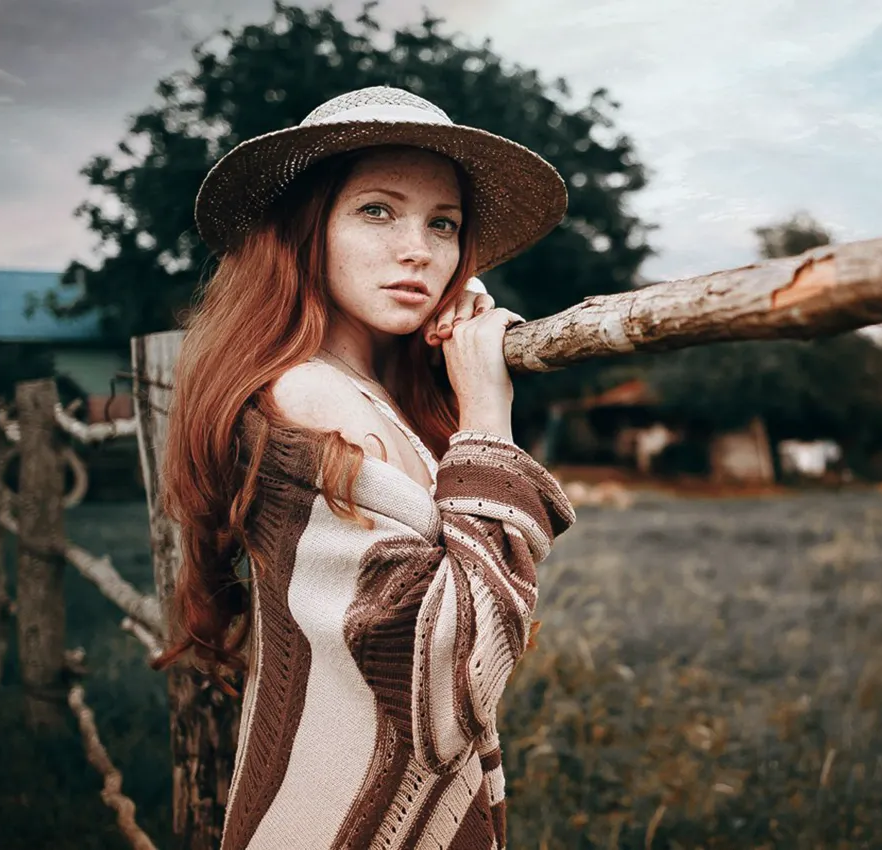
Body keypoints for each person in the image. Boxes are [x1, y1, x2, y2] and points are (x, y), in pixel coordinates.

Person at [151, 85, 577, 850]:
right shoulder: (312, 399)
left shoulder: (372, 396)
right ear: (307, 229)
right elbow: (450, 682)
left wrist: (464, 321)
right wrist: (486, 408)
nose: (418, 249)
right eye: (376, 210)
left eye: (442, 225)